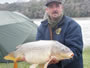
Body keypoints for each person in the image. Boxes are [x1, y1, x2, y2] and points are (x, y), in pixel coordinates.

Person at [36, 0, 83, 68]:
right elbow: (38, 48)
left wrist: (60, 59)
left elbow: (76, 50)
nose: (55, 9)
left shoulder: (73, 25)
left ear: (62, 8)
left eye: (57, 6)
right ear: (47, 10)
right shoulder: (41, 27)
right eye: (51, 7)